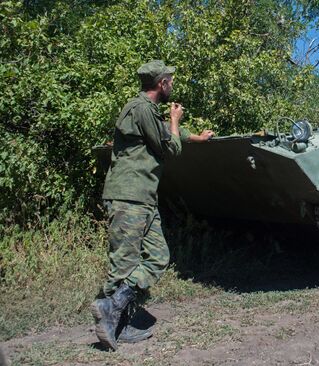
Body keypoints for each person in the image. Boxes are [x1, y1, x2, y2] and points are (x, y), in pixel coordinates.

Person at [90, 60, 214, 351]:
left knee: (158, 256)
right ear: (162, 84)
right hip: (129, 196)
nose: (172, 84)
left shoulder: (147, 112)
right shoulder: (142, 108)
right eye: (170, 80)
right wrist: (175, 121)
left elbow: (167, 134)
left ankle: (115, 315)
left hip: (144, 197)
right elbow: (170, 146)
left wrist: (198, 136)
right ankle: (112, 321)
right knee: (122, 264)